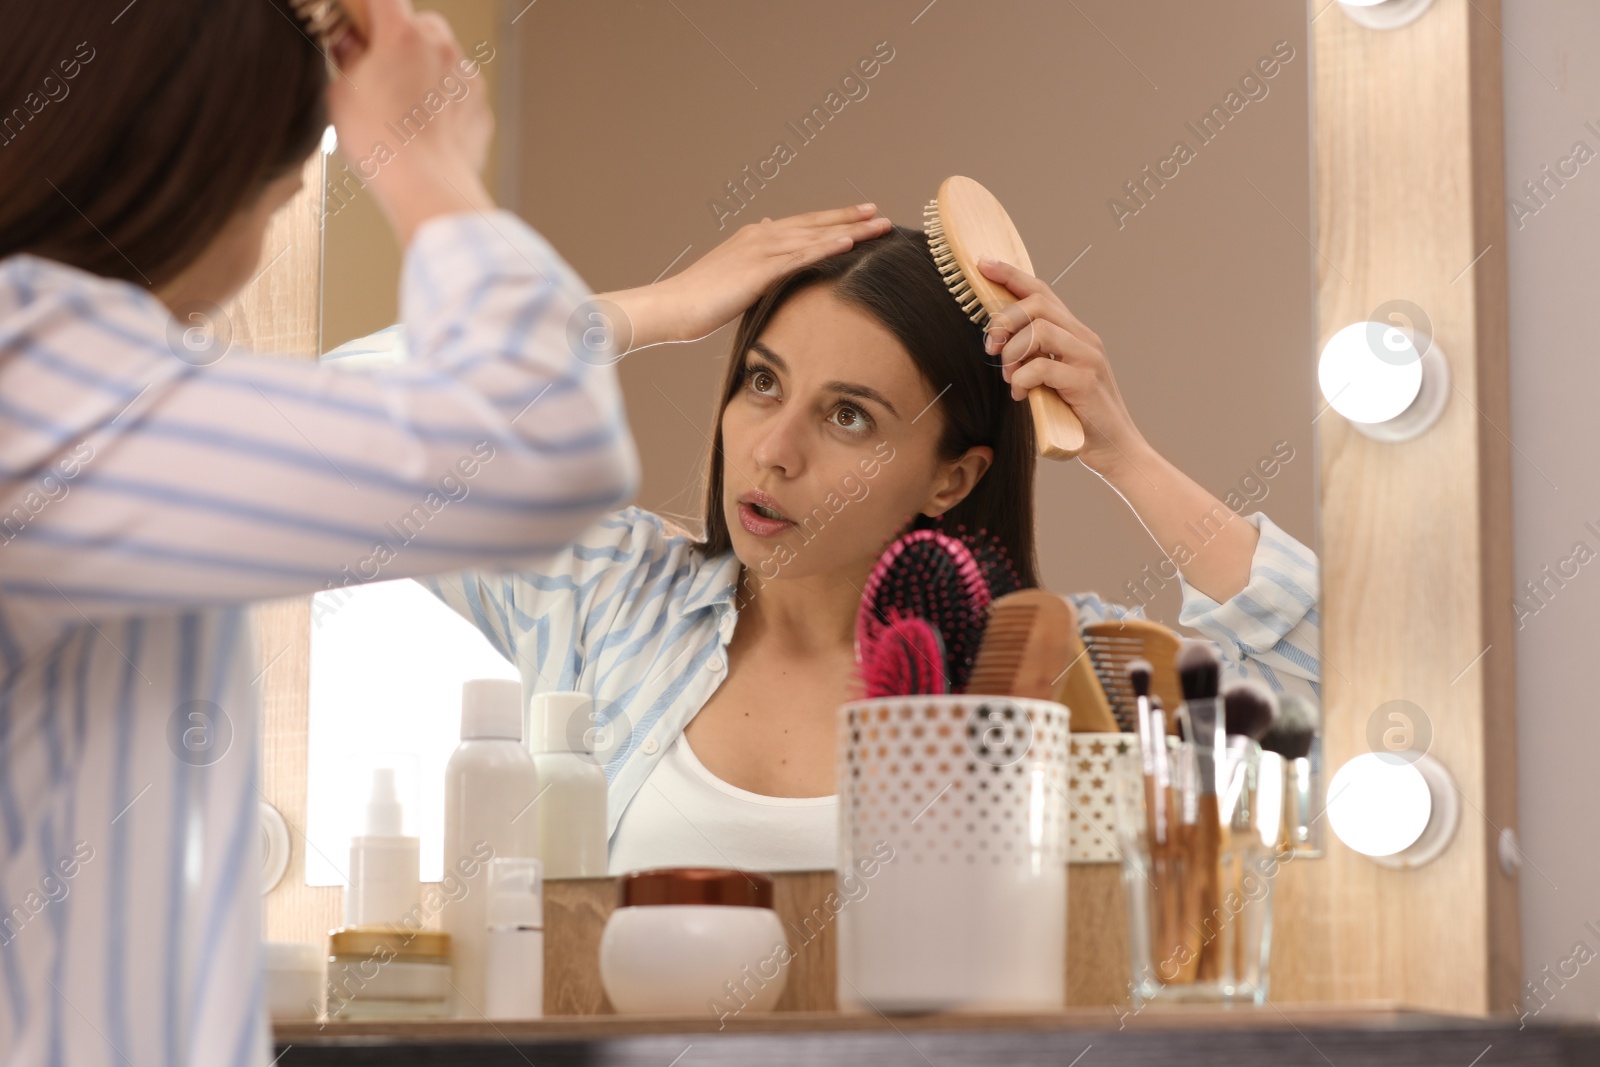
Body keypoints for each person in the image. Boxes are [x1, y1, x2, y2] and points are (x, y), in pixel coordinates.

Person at [0, 1, 886, 1063]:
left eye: (848, 413)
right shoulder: (40, 382)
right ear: (192, 163)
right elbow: (520, 455)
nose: (778, 449)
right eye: (284, 186)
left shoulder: (76, 388)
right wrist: (425, 164)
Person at [416, 223, 1321, 875]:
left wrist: (1124, 451)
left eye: (849, 415)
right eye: (762, 382)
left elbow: (1337, 715)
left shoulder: (1048, 672)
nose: (774, 448)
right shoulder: (610, 600)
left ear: (952, 479)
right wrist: (652, 310)